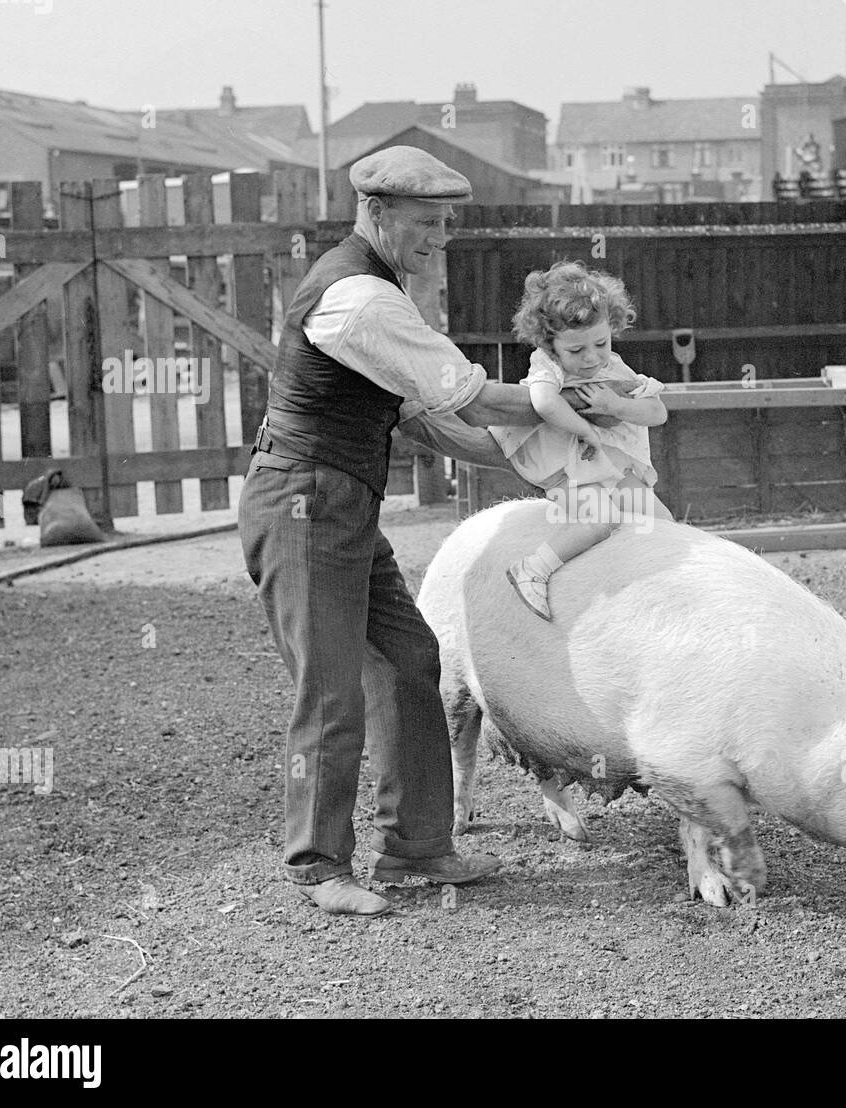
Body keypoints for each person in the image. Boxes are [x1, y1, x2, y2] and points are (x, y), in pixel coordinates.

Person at [238, 147, 609, 917]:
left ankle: (414, 848)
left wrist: (549, 467)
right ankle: (318, 868)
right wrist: (577, 400)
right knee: (330, 688)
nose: (441, 238)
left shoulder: (380, 293)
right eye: (428, 223)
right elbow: (471, 398)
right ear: (376, 212)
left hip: (340, 503)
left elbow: (423, 417)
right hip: (305, 502)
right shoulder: (361, 300)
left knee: (410, 658)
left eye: (446, 224)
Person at [494, 262, 674, 621]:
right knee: (600, 519)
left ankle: (649, 590)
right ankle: (533, 568)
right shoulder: (546, 366)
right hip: (564, 466)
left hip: (610, 464)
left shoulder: (615, 366)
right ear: (551, 344)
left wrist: (619, 405)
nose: (591, 357)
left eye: (600, 343)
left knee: (661, 521)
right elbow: (544, 402)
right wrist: (586, 429)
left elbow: (657, 412)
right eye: (576, 351)